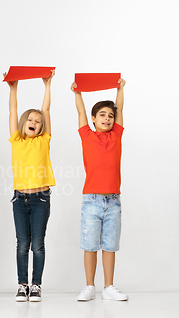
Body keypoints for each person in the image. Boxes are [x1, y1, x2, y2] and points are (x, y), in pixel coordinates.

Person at [71, 78, 127, 301]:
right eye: (102, 114)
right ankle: (89, 285)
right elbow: (81, 110)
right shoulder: (87, 135)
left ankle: (109, 286)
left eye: (110, 116)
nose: (107, 118)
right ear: (93, 119)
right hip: (91, 200)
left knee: (110, 246)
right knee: (90, 245)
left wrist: (119, 89)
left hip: (113, 201)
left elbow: (120, 107)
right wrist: (77, 92)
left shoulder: (116, 136)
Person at [4, 70, 55, 302]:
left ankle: (36, 285)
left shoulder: (44, 140)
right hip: (19, 199)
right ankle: (22, 284)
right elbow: (13, 110)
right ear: (24, 123)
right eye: (31, 120)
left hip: (41, 199)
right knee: (22, 243)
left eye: (38, 121)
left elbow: (46, 110)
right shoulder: (16, 139)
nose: (34, 122)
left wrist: (47, 86)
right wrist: (13, 88)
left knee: (38, 244)